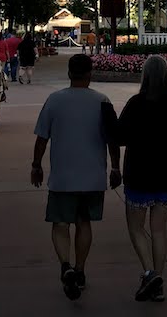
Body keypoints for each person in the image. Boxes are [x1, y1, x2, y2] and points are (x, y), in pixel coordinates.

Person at [32, 54, 121, 302]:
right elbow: (112, 139)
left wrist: (36, 165)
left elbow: (42, 138)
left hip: (62, 177)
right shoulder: (102, 101)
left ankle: (65, 266)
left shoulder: (54, 100)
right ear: (90, 74)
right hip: (93, 176)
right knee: (84, 222)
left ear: (69, 74)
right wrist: (115, 168)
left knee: (60, 224)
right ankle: (80, 270)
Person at [116, 56, 167, 303]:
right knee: (159, 230)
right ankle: (157, 279)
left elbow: (120, 136)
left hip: (140, 175)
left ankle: (149, 273)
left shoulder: (136, 103)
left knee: (137, 228)